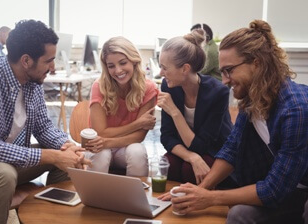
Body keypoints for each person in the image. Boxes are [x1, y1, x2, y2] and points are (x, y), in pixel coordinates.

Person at [159, 20, 308, 224]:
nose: (225, 80)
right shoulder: (252, 100)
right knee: (238, 214)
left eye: (229, 70)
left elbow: (275, 189)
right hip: (287, 189)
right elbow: (232, 149)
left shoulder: (295, 110)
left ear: (257, 63)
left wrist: (210, 198)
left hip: (297, 189)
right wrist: (197, 191)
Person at [0, 20, 91, 224]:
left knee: (66, 158)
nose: (53, 68)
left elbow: (43, 127)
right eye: (49, 61)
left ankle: (52, 220)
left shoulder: (32, 81)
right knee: (3, 174)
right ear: (26, 60)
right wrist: (50, 155)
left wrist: (66, 146)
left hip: (6, 161)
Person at [157, 31, 233, 185]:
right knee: (168, 164)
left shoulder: (218, 92)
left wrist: (175, 112)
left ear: (185, 69)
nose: (161, 73)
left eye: (164, 68)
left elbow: (201, 145)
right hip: (187, 148)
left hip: (214, 150)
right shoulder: (169, 85)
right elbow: (166, 136)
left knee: (189, 169)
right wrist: (191, 157)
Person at [83, 36, 158, 177]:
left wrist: (107, 142)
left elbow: (139, 136)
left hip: (125, 148)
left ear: (134, 61)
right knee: (101, 153)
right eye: (111, 66)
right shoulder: (99, 86)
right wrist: (138, 123)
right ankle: (95, 196)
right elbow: (101, 132)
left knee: (137, 151)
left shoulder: (148, 88)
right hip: (101, 147)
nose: (118, 70)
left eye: (123, 63)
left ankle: (135, 197)